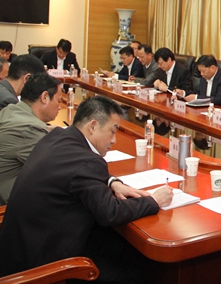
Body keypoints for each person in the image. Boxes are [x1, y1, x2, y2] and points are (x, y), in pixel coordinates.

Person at [0, 96, 173, 283]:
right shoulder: (87, 161)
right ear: (93, 126)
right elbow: (110, 213)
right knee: (134, 274)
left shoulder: (58, 137)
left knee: (116, 243)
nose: (114, 140)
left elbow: (76, 172)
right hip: (42, 263)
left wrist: (112, 182)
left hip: (20, 247)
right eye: (112, 131)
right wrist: (154, 200)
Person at [0, 73, 62, 205]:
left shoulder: (11, 109)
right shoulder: (30, 129)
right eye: (59, 101)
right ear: (45, 97)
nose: (60, 106)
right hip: (9, 206)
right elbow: (59, 169)